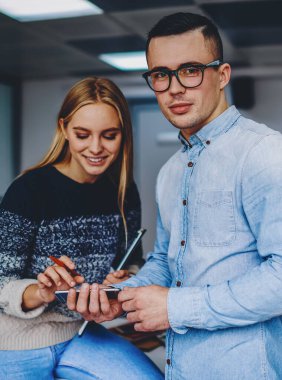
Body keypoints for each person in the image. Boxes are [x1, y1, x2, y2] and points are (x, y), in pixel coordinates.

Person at [68, 12, 282, 380]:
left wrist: (175, 308)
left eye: (190, 70)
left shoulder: (264, 153)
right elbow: (169, 264)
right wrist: (118, 297)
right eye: (161, 75)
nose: (174, 88)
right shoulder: (171, 172)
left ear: (223, 75)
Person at [0, 77, 163, 379]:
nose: (96, 148)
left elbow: (133, 260)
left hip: (80, 333)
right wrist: (41, 292)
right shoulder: (28, 191)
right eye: (82, 134)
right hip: (14, 342)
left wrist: (125, 279)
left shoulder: (124, 192)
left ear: (123, 133)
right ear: (64, 130)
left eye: (109, 135)